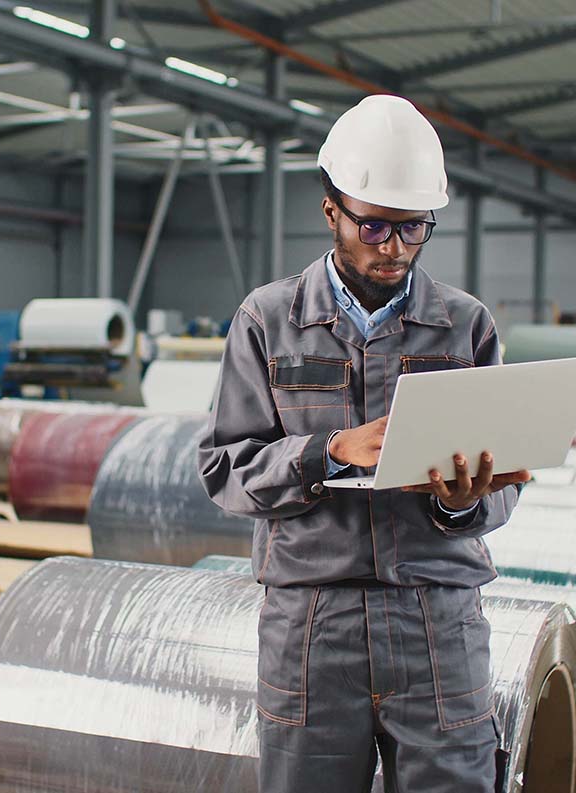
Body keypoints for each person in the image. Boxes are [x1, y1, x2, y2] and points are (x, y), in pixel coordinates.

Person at [198, 95, 529, 793]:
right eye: (374, 226)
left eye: (413, 229)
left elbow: (506, 485)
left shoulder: (466, 326)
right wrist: (331, 449)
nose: (395, 247)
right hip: (314, 616)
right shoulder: (268, 320)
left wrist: (464, 505)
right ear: (331, 212)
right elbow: (225, 468)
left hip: (436, 615)